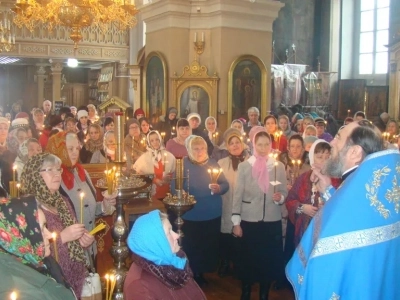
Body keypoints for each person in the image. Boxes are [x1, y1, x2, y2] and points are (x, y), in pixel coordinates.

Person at [285, 121, 400, 299]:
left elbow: (326, 262)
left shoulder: (356, 188)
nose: (331, 143)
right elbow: (352, 213)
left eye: (338, 137)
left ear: (354, 153)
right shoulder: (373, 186)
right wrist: (328, 190)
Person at [20, 152, 90, 296]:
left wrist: (83, 239)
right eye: (49, 170)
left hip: (75, 277)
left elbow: (74, 240)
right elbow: (29, 252)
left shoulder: (62, 201)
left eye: (58, 169)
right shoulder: (28, 208)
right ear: (35, 175)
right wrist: (63, 237)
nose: (57, 174)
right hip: (52, 282)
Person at [231, 126, 288, 300]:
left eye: (266, 144)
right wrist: (236, 222)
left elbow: (284, 192)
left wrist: (280, 198)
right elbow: (237, 195)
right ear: (254, 145)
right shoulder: (244, 167)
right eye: (260, 144)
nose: (263, 148)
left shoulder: (278, 167)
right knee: (248, 259)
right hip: (250, 220)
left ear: (270, 145)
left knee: (267, 260)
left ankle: (264, 293)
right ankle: (246, 290)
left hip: (271, 220)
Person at [170, 135, 229, 285]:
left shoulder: (213, 163)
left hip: (211, 213)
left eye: (202, 148)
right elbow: (174, 186)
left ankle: (202, 273)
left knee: (207, 246)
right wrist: (182, 193)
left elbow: (225, 184)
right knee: (192, 246)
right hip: (191, 214)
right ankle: (191, 273)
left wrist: (219, 188)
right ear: (189, 149)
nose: (200, 151)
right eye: (196, 148)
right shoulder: (182, 164)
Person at [46, 132, 116, 254]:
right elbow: (51, 221)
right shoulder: (53, 179)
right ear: (59, 149)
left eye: (77, 148)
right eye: (70, 149)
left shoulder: (82, 173)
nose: (75, 152)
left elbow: (90, 209)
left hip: (89, 247)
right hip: (68, 250)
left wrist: (105, 204)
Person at [0, 196, 76, 299]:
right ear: (20, 234)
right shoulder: (18, 290)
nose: (49, 235)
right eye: (41, 229)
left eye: (46, 226)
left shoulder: (40, 262)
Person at [124, 210, 206, 299]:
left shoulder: (176, 261)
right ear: (155, 242)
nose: (176, 236)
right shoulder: (140, 286)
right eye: (169, 232)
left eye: (172, 229)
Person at [285, 139, 333, 247]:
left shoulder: (335, 180)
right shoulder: (303, 178)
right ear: (312, 157)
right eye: (320, 157)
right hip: (304, 231)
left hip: (325, 232)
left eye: (327, 157)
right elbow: (290, 200)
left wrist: (326, 206)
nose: (324, 161)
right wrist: (302, 208)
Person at [217, 128, 249, 277]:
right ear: (227, 147)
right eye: (232, 143)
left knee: (241, 235)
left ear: (242, 144)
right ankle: (224, 261)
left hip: (244, 205)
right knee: (226, 235)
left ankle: (239, 263)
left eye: (237, 143)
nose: (235, 146)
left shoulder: (250, 162)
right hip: (227, 202)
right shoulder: (221, 163)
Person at [133, 130, 176, 200]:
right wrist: (154, 180)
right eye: (152, 141)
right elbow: (139, 175)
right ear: (149, 143)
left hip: (167, 193)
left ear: (160, 140)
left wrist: (168, 178)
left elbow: (174, 173)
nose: (155, 142)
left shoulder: (169, 156)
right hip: (151, 195)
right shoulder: (144, 158)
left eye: (157, 139)